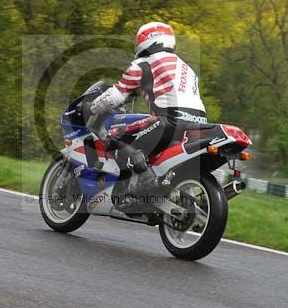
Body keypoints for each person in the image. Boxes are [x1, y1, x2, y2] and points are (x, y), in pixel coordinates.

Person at [87, 21, 207, 195]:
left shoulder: (145, 62)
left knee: (115, 136)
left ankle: (146, 179)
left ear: (146, 41)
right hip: (199, 123)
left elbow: (116, 94)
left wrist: (91, 107)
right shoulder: (185, 66)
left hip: (170, 121)